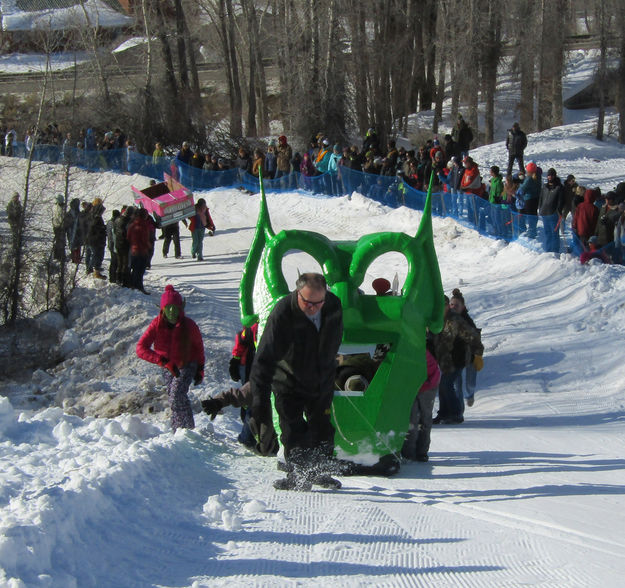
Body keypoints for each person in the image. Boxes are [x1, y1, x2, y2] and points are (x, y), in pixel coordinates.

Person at [249, 272, 343, 490]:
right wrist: (259, 405)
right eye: (308, 302)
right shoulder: (283, 312)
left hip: (321, 380)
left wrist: (326, 367)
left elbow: (334, 339)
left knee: (322, 429)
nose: (314, 308)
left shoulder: (333, 305)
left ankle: (319, 472)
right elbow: (264, 359)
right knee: (293, 430)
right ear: (298, 292)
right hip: (288, 381)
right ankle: (298, 476)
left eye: (319, 303)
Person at [137, 285, 205, 432]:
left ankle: (186, 431)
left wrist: (200, 369)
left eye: (176, 307)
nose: (172, 311)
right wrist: (161, 361)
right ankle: (180, 430)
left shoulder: (189, 325)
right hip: (168, 366)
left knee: (176, 395)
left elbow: (199, 347)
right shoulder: (156, 324)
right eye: (169, 308)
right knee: (175, 398)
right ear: (162, 309)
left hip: (187, 364)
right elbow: (141, 348)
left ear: (181, 308)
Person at [202, 323, 260, 449]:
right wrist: (236, 360)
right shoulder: (256, 327)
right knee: (251, 399)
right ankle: (247, 436)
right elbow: (241, 339)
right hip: (252, 366)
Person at [432, 294, 483, 425]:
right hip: (445, 359)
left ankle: (456, 414)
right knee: (443, 385)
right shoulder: (436, 320)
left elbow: (473, 336)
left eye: (442, 306)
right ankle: (443, 413)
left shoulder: (455, 319)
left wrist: (478, 354)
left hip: (458, 358)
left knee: (446, 385)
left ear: (447, 307)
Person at [401, 345, 440, 462]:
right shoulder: (408, 348)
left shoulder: (412, 350)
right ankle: (409, 451)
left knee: (423, 417)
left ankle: (420, 452)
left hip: (427, 383)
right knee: (412, 418)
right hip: (414, 384)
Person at [448, 289, 482, 408]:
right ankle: (459, 411)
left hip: (470, 357)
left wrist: (478, 355)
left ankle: (470, 394)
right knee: (457, 385)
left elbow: (476, 340)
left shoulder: (467, 322)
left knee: (470, 384)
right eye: (451, 304)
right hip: (456, 358)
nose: (453, 307)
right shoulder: (446, 319)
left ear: (463, 307)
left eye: (457, 305)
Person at [126, 208, 152, 294]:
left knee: (135, 269)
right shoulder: (143, 225)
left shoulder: (132, 224)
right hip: (141, 250)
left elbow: (128, 237)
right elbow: (144, 239)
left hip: (133, 250)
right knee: (140, 270)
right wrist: (148, 246)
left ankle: (133, 285)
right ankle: (139, 286)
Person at [538, 168, 563, 253]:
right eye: (548, 175)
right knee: (547, 233)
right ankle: (548, 250)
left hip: (553, 214)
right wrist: (540, 208)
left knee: (554, 233)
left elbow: (561, 201)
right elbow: (541, 198)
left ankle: (555, 251)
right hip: (545, 213)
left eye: (551, 175)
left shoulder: (559, 187)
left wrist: (558, 211)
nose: (550, 177)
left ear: (554, 176)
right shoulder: (544, 187)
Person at [84, 198, 107, 279]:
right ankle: (95, 271)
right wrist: (103, 229)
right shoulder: (96, 217)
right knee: (97, 255)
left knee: (91, 254)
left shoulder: (90, 214)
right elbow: (95, 229)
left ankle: (90, 269)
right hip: (95, 240)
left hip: (89, 238)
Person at [106, 210, 120, 283]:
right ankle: (113, 277)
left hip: (110, 243)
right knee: (115, 262)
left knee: (113, 261)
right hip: (113, 244)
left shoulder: (109, 222)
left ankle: (112, 277)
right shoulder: (113, 223)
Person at [52, 195, 67, 261]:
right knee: (60, 241)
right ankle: (59, 255)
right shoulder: (59, 207)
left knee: (59, 241)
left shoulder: (56, 207)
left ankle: (58, 255)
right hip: (58, 226)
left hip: (58, 226)